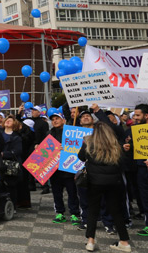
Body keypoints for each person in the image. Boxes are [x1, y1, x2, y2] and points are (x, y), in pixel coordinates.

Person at [79, 122, 131, 252]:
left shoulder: (88, 142)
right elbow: (121, 162)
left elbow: (81, 157)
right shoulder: (115, 144)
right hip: (113, 182)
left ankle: (90, 241)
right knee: (116, 211)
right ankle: (124, 242)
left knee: (93, 211)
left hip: (94, 181)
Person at [46, 108, 81, 225]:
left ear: (63, 120)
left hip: (68, 168)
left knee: (72, 192)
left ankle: (74, 214)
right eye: (53, 119)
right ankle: (60, 212)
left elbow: (77, 147)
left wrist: (65, 148)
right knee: (56, 192)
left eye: (57, 118)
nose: (55, 121)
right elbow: (45, 149)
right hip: (54, 169)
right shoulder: (50, 133)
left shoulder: (71, 131)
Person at [123, 104, 148, 237]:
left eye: (138, 115)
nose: (135, 118)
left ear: (146, 115)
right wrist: (129, 146)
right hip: (141, 168)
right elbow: (139, 146)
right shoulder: (137, 130)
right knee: (144, 196)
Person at [0, 115, 23, 207]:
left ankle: (12, 205)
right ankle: (3, 205)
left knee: (11, 187)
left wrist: (5, 154)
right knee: (1, 185)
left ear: (14, 124)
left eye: (10, 121)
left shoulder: (16, 137)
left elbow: (18, 151)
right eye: (7, 120)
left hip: (10, 165)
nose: (8, 121)